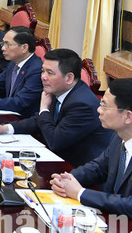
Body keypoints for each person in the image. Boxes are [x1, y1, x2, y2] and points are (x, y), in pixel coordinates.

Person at [0, 49, 112, 167]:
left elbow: (55, 141)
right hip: (58, 159)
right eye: (43, 71)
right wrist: (5, 128)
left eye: (50, 73)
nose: (43, 77)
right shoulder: (61, 89)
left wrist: (44, 108)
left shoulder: (82, 104)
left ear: (69, 78)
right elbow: (38, 120)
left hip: (78, 170)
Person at [50, 78, 132, 217]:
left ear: (128, 116)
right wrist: (68, 179)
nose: (99, 110)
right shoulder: (118, 137)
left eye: (105, 106)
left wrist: (80, 193)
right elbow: (99, 167)